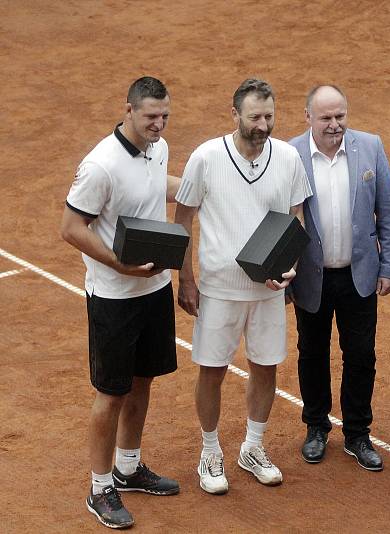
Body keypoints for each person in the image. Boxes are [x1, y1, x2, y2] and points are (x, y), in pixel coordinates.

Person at [173, 79, 312, 495]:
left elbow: (296, 219)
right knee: (212, 371)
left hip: (268, 290)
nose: (263, 124)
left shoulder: (287, 157)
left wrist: (289, 266)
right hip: (218, 289)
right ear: (234, 115)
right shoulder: (206, 157)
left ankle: (252, 447)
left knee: (265, 366)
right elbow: (182, 220)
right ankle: (210, 451)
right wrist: (186, 278)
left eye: (269, 116)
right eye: (254, 117)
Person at [61, 76, 181, 529]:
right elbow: (71, 228)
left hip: (154, 289)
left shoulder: (159, 147)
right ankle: (100, 487)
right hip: (114, 296)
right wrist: (118, 265)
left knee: (143, 380)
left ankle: (128, 467)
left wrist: (198, 186)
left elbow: (155, 186)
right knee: (111, 393)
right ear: (127, 111)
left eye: (164, 115)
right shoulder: (100, 166)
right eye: (151, 116)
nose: (159, 124)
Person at [288, 85, 390, 472]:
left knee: (361, 356)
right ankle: (316, 427)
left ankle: (357, 433)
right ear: (308, 118)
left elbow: (387, 212)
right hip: (311, 277)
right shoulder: (290, 154)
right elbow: (280, 218)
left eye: (340, 116)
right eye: (325, 118)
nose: (334, 124)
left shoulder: (370, 147)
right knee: (312, 353)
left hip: (360, 275)